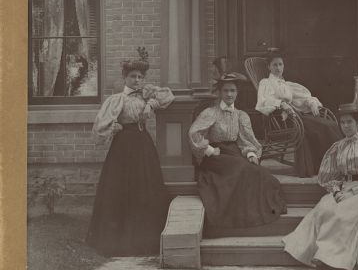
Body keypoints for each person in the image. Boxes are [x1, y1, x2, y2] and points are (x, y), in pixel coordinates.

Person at [86, 49, 174, 256]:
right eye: (133, 76)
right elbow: (99, 127)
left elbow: (168, 95)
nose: (137, 80)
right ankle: (118, 241)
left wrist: (151, 103)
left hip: (144, 146)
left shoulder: (146, 94)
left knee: (145, 187)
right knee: (121, 188)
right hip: (123, 148)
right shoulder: (117, 100)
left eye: (140, 77)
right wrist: (114, 127)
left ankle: (145, 240)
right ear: (125, 77)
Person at [282, 104, 358, 270]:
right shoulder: (337, 147)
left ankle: (337, 261)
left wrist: (352, 192)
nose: (346, 126)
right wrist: (337, 191)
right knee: (324, 209)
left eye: (349, 122)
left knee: (342, 215)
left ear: (357, 123)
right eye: (343, 122)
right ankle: (321, 256)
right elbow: (329, 177)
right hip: (342, 187)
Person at [188, 72, 287, 228]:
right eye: (226, 91)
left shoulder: (241, 115)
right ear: (220, 92)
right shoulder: (211, 113)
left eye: (232, 91)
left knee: (262, 174)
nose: (229, 94)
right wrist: (209, 150)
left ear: (237, 93)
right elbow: (194, 133)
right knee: (241, 169)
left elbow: (245, 140)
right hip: (217, 155)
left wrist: (251, 153)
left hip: (235, 152)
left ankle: (251, 214)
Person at [255, 53, 342, 177]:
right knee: (324, 127)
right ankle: (334, 165)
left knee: (330, 125)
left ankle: (334, 165)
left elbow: (302, 97)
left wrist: (311, 103)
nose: (278, 68)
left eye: (280, 64)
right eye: (275, 65)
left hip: (295, 116)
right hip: (280, 119)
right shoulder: (265, 83)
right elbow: (263, 101)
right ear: (269, 67)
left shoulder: (286, 84)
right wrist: (280, 104)